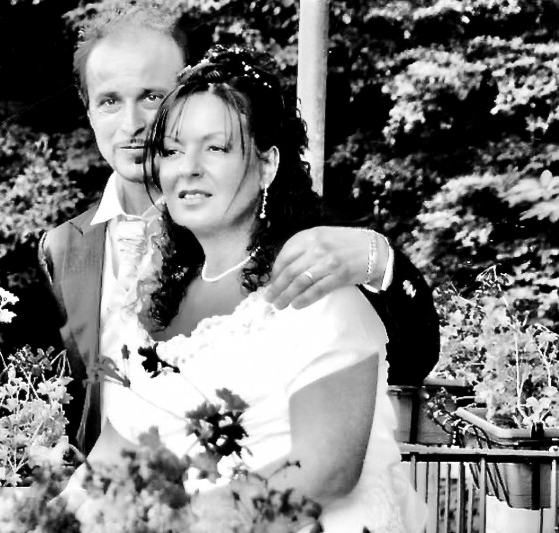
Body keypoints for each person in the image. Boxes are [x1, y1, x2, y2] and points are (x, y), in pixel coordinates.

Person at [39, 2, 439, 456]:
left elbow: (408, 361)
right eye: (110, 100)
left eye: (151, 97)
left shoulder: (295, 233)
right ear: (88, 110)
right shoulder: (61, 249)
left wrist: (381, 262)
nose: (132, 125)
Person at [75, 45, 426, 532]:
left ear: (267, 165)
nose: (188, 167)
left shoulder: (313, 289)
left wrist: (171, 524)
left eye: (215, 148)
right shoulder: (154, 299)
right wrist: (49, 517)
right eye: (173, 150)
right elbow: (116, 448)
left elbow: (325, 471)